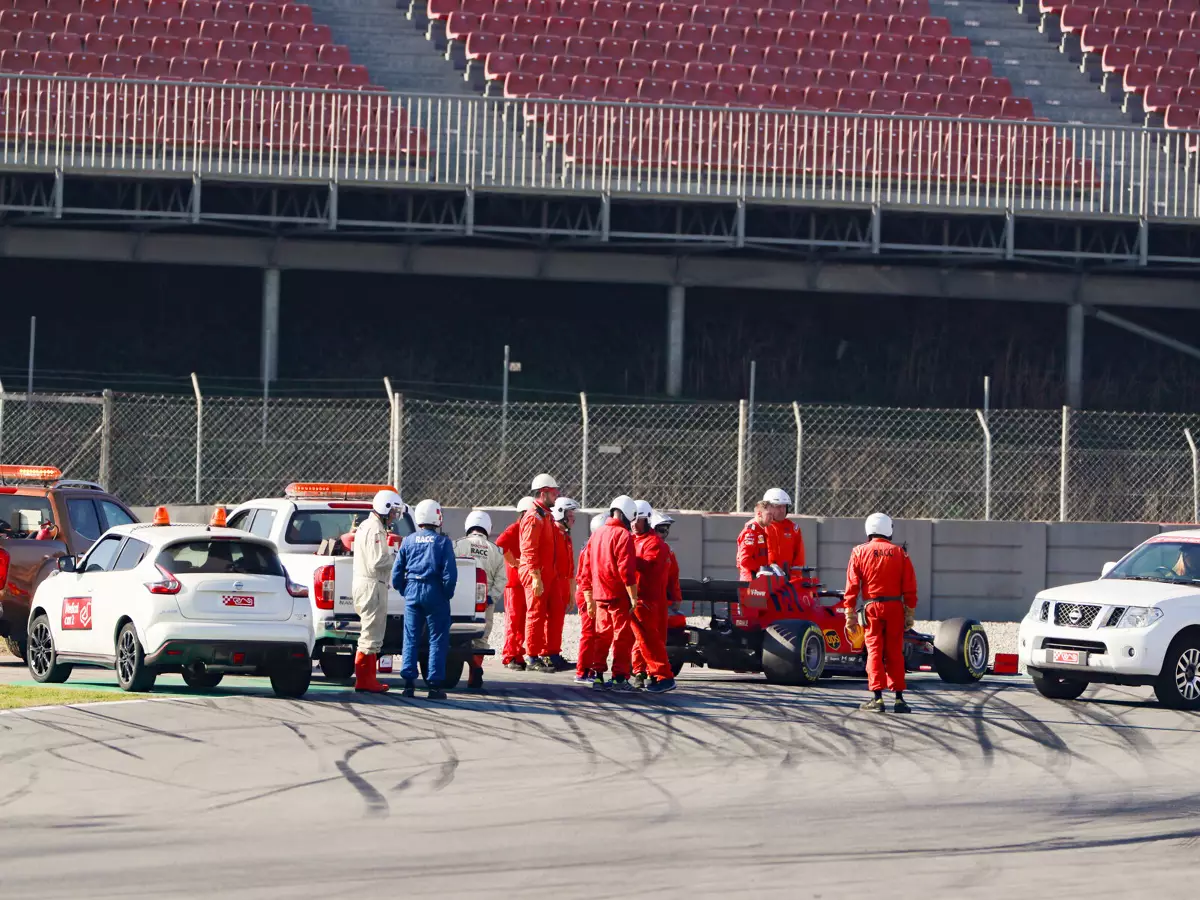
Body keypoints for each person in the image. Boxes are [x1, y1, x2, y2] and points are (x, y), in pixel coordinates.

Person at [842, 512, 918, 714]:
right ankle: (900, 699)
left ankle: (877, 698)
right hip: (895, 607)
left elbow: (851, 586)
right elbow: (910, 585)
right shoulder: (900, 553)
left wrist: (849, 612)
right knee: (895, 651)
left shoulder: (859, 552)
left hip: (871, 607)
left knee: (874, 650)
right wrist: (909, 611)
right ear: (888, 529)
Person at [392, 499, 459, 701]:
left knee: (411, 637)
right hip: (435, 591)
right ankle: (434, 685)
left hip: (412, 589)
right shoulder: (443, 542)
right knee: (437, 638)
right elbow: (450, 574)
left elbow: (396, 573)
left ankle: (408, 684)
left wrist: (405, 590)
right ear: (437, 517)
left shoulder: (408, 540)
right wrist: (446, 594)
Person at [580, 495, 639, 692]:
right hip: (618, 596)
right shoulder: (623, 536)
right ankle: (620, 677)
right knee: (622, 637)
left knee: (601, 636)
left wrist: (589, 595)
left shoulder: (597, 534)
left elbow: (586, 567)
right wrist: (633, 595)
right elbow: (627, 570)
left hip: (599, 594)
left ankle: (597, 676)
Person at [350, 489, 405, 694]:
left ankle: (368, 678)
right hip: (372, 584)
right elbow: (377, 561)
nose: (394, 516)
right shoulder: (375, 529)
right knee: (370, 634)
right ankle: (365, 680)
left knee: (372, 633)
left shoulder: (367, 525)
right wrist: (397, 557)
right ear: (385, 508)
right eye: (393, 511)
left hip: (368, 583)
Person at [454, 509, 506, 691]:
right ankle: (475, 671)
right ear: (488, 528)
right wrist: (491, 596)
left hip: (459, 602)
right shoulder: (496, 551)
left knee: (455, 636)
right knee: (481, 639)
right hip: (484, 602)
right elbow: (502, 579)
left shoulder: (457, 545)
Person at [630, 501, 677, 694]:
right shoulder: (634, 541)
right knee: (642, 639)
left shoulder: (655, 544)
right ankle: (641, 672)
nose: (633, 523)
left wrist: (625, 559)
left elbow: (654, 568)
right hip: (639, 597)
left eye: (637, 519)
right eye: (632, 519)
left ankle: (662, 675)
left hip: (647, 599)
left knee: (650, 639)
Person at [520, 474, 561, 672]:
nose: (557, 496)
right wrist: (536, 577)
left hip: (546, 573)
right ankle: (532, 656)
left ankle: (543, 653)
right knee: (535, 613)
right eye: (554, 493)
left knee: (546, 613)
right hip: (536, 573)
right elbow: (529, 548)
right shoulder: (534, 517)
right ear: (543, 492)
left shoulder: (545, 515)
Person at [496, 496, 534, 670]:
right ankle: (510, 655)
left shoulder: (528, 529)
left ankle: (517, 653)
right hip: (513, 583)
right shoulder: (516, 528)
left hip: (524, 582)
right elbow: (500, 544)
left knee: (522, 620)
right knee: (513, 620)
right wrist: (514, 562)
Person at [546, 496, 580, 672]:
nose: (573, 518)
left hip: (562, 584)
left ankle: (553, 653)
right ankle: (548, 654)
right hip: (553, 583)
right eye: (570, 514)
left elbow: (570, 567)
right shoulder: (552, 533)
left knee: (557, 621)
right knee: (551, 621)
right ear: (560, 513)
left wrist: (571, 592)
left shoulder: (565, 536)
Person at [574, 513, 606, 685]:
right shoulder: (592, 548)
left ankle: (589, 669)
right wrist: (589, 599)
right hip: (589, 594)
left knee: (595, 634)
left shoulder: (593, 546)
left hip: (592, 593)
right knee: (589, 634)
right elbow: (585, 576)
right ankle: (583, 671)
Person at [763, 488, 806, 577]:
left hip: (787, 580)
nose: (782, 510)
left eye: (784, 506)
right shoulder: (759, 527)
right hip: (763, 578)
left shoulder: (793, 528)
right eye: (778, 506)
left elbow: (799, 558)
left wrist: (795, 578)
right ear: (767, 507)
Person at [735, 500, 773, 581]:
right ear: (759, 514)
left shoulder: (760, 531)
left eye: (772, 515)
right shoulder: (751, 532)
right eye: (769, 514)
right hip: (750, 580)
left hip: (758, 579)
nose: (771, 518)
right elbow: (745, 560)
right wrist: (760, 569)